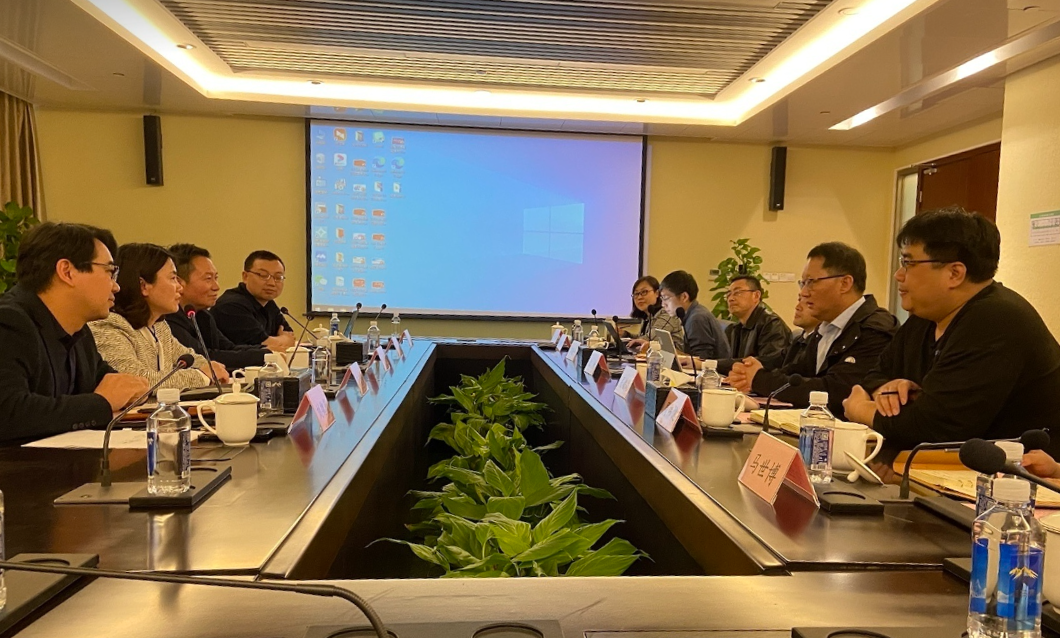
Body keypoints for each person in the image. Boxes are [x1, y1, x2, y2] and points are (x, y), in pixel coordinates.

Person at [843, 207, 1060, 458]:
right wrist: (886, 391)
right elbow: (875, 375)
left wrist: (860, 409)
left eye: (908, 262)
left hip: (1028, 473)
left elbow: (935, 428)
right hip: (945, 467)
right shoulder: (926, 316)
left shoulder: (996, 318)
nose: (898, 275)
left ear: (954, 273)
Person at [0, 222, 149, 444]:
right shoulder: (9, 322)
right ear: (67, 272)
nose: (115, 286)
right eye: (109, 272)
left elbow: (108, 381)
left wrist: (131, 389)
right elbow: (8, 413)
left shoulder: (79, 330)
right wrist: (101, 403)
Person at [728, 242, 897, 418]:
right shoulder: (825, 329)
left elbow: (835, 392)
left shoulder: (875, 329)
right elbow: (795, 373)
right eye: (803, 283)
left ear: (845, 283)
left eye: (811, 282)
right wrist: (750, 375)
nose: (804, 292)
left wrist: (760, 379)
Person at [90, 243, 229, 391]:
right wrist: (201, 376)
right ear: (144, 286)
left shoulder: (159, 326)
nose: (180, 287)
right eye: (173, 278)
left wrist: (209, 368)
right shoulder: (108, 326)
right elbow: (135, 381)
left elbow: (191, 358)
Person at [164, 244, 267, 370]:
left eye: (216, 278)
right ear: (179, 282)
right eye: (208, 279)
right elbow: (204, 358)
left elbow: (228, 348)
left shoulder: (203, 315)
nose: (216, 287)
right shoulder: (168, 319)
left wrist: (267, 351)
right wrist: (265, 355)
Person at [212, 250, 295, 350]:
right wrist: (283, 340)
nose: (272, 283)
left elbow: (290, 336)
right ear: (245, 276)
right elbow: (265, 344)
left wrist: (282, 340)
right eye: (263, 275)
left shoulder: (268, 304)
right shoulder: (230, 306)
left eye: (278, 277)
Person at [716, 275, 791, 374]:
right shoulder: (733, 329)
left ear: (756, 296)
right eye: (729, 294)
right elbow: (727, 361)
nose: (731, 298)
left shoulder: (772, 325)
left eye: (738, 292)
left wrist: (708, 364)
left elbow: (767, 364)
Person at [658, 270, 731, 360]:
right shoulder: (693, 313)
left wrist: (673, 353)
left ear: (684, 297)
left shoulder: (697, 318)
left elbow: (701, 360)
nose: (663, 304)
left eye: (666, 298)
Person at [626, 275, 683, 351]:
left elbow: (651, 339)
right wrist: (625, 334)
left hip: (676, 357)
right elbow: (642, 338)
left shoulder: (667, 314)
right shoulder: (648, 316)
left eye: (644, 292)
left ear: (657, 293)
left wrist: (627, 342)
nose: (639, 297)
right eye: (636, 294)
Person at [780, 299, 820, 368]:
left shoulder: (822, 345)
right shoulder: (798, 340)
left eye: (808, 303)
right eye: (799, 300)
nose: (798, 307)